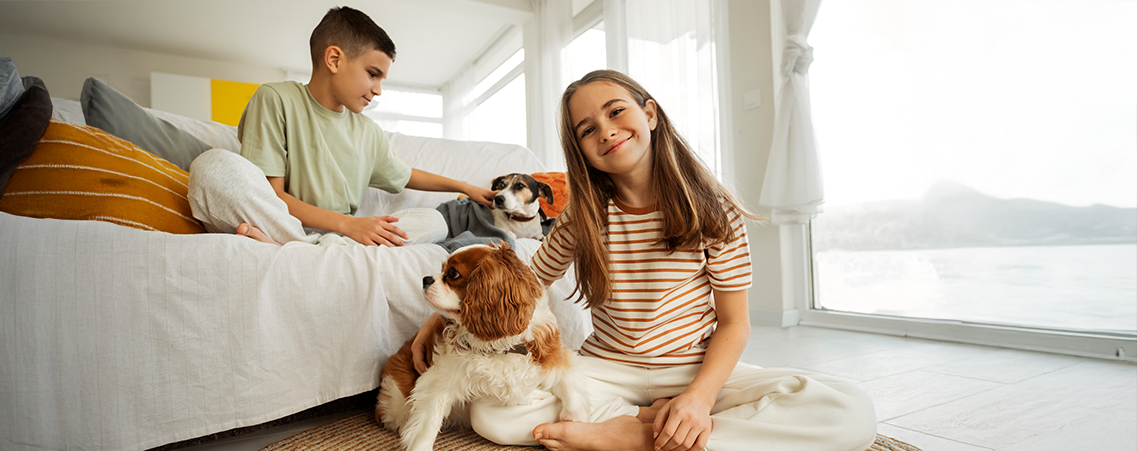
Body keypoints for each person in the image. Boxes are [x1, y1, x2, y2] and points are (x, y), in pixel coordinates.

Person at [410, 70, 877, 451]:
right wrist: (444, 318)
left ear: (649, 114)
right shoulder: (582, 215)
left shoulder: (715, 211)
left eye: (616, 112)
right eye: (587, 128)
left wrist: (698, 399)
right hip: (606, 367)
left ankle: (635, 436)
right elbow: (523, 285)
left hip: (690, 367)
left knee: (851, 411)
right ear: (581, 149)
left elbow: (735, 324)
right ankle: (650, 427)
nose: (606, 130)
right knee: (492, 415)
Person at [187, 6, 494, 247]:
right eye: (373, 74)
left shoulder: (368, 133)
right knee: (211, 167)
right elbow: (270, 195)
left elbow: (406, 175)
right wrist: (348, 224)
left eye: (382, 79)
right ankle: (304, 248)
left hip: (341, 240)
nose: (378, 90)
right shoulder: (276, 98)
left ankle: (295, 251)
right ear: (334, 59)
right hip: (288, 224)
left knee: (434, 222)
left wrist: (464, 187)